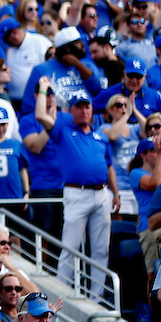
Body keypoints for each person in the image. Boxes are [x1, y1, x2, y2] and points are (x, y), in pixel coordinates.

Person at [35, 81, 119, 295]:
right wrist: (44, 89)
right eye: (79, 106)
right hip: (76, 192)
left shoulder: (100, 135)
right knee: (70, 247)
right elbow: (41, 117)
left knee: (101, 249)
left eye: (87, 106)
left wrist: (115, 192)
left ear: (92, 109)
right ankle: (62, 293)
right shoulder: (63, 129)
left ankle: (97, 298)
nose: (84, 110)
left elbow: (109, 167)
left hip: (102, 193)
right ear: (71, 110)